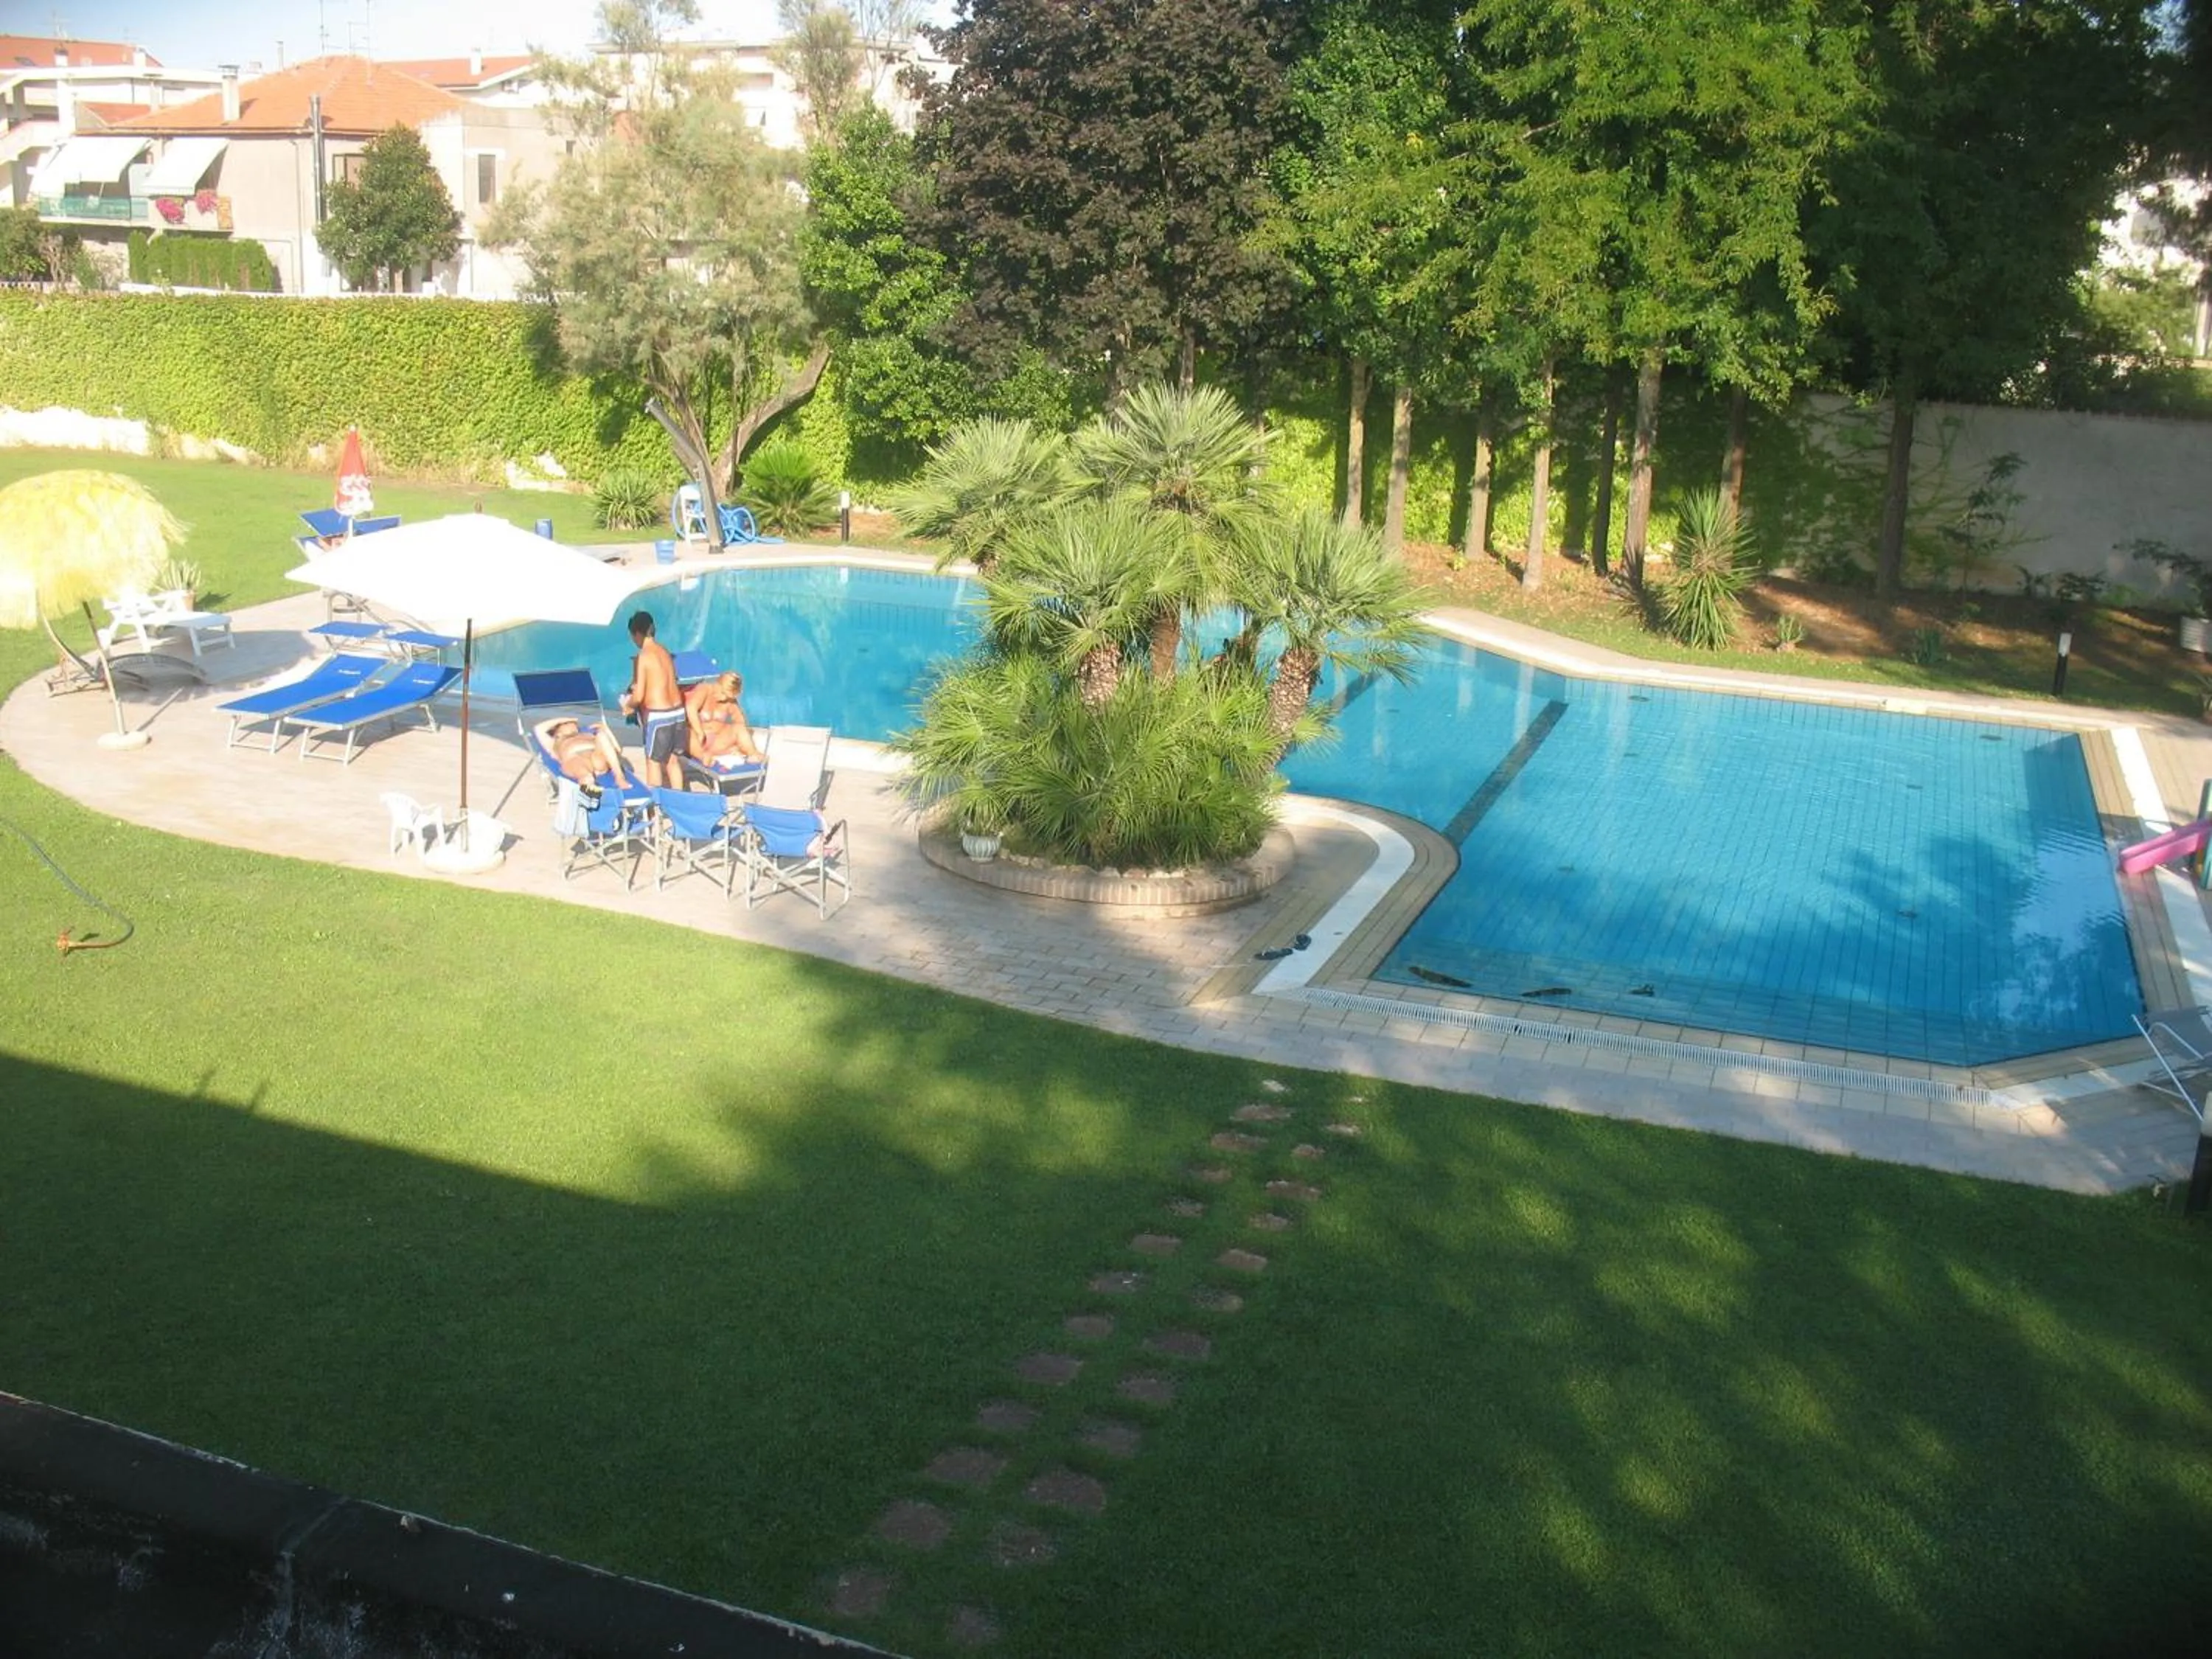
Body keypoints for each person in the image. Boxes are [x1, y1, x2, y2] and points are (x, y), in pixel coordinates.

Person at [618, 610, 685, 788]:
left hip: (659, 716)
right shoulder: (664, 651)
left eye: (633, 637)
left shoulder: (644, 656)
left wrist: (628, 705)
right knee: (672, 761)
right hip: (678, 712)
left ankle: (655, 803)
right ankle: (678, 800)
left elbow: (639, 695)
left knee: (653, 762)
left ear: (637, 634)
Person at [534, 716, 632, 805]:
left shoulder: (588, 735)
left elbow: (617, 751)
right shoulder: (556, 742)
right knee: (586, 776)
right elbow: (539, 728)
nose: (574, 724)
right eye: (567, 724)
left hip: (596, 758)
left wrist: (607, 730)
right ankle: (590, 790)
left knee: (602, 736)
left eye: (574, 724)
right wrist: (567, 719)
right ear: (558, 731)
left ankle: (619, 777)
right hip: (574, 759)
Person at [686, 670, 767, 769]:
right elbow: (690, 708)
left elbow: (740, 721)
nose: (724, 698)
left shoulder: (729, 700)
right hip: (698, 741)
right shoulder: (704, 689)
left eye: (728, 697)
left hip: (718, 742)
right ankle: (703, 756)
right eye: (723, 693)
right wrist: (699, 732)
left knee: (739, 728)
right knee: (686, 733)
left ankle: (753, 753)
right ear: (719, 684)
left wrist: (741, 741)